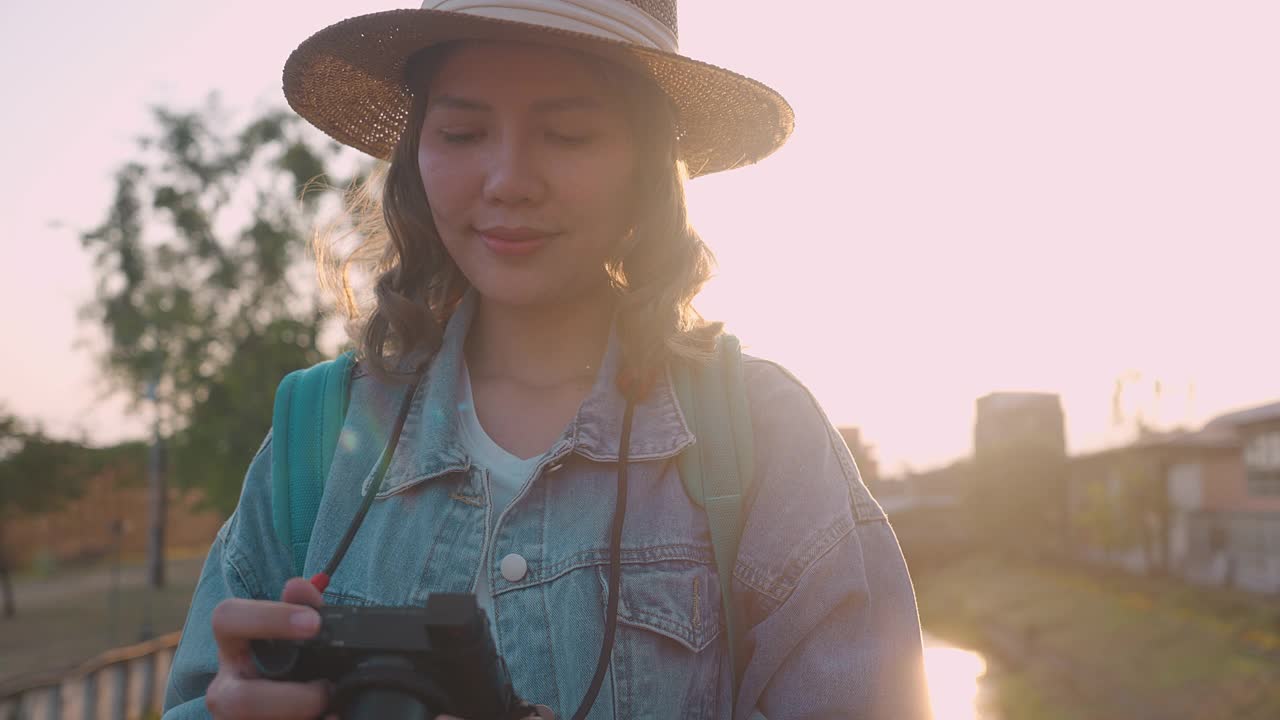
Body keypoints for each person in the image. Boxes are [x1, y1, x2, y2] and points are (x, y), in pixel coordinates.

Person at [162, 1, 931, 718]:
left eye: (567, 135)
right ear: (415, 154)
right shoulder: (316, 436)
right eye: (462, 134)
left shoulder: (763, 439)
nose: (508, 182)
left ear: (647, 164)